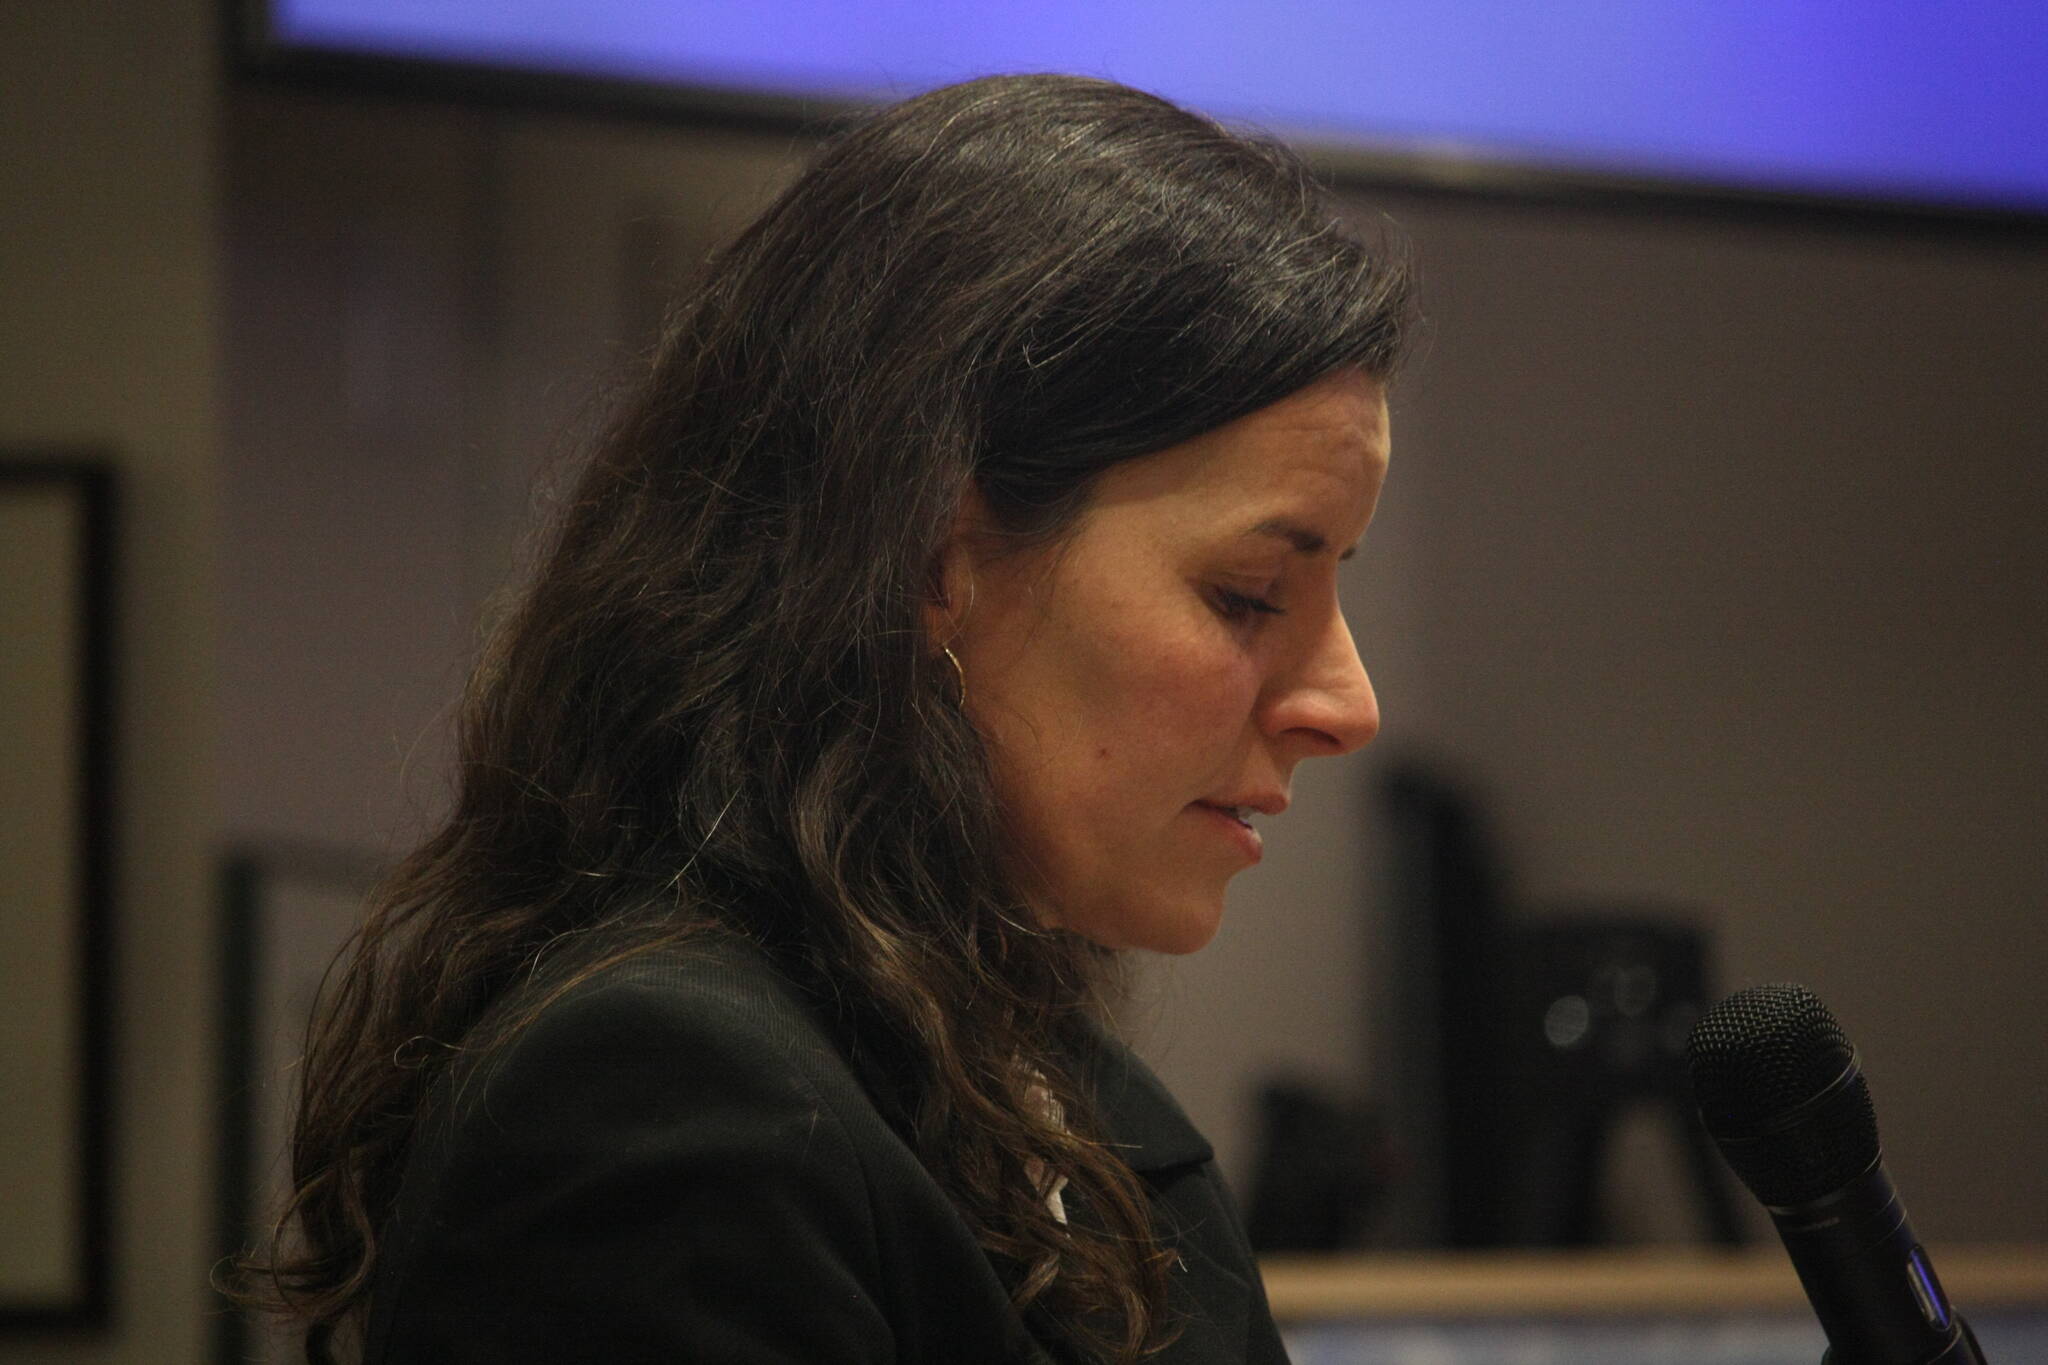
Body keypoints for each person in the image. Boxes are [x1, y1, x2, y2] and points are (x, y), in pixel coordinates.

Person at [246, 72, 1412, 1365]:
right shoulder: (667, 1095)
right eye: (1249, 593)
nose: (1347, 705)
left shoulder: (1052, 1087)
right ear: (932, 557)